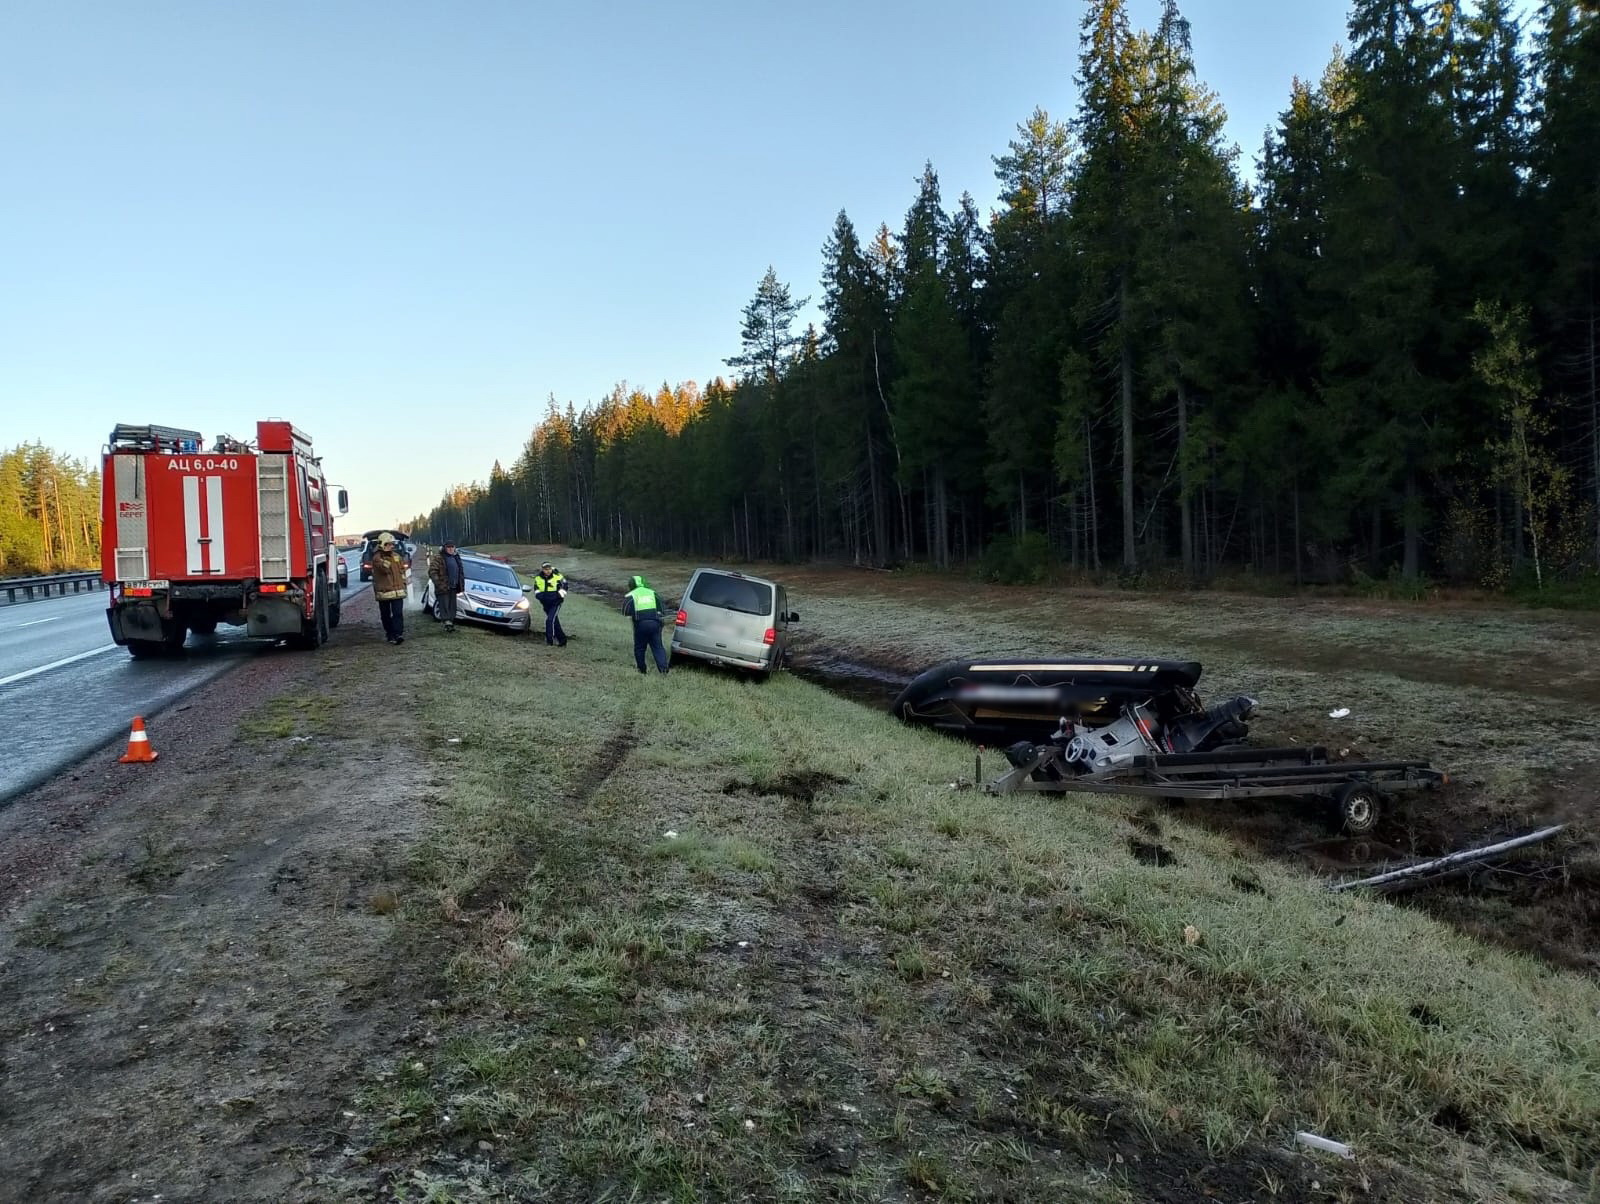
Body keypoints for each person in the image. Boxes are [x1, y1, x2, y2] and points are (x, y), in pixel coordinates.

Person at [623, 574, 669, 675]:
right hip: (655, 623)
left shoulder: (631, 595)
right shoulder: (653, 593)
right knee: (658, 647)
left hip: (641, 624)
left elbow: (625, 611)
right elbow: (662, 609)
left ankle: (642, 670)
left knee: (640, 648)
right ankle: (664, 670)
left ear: (631, 585)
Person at [371, 532, 409, 644]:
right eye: (389, 544)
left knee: (398, 613)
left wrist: (403, 583)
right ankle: (390, 634)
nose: (392, 546)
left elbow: (402, 570)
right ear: (383, 544)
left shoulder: (397, 556)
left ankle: (398, 634)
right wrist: (385, 555)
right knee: (386, 615)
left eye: (393, 544)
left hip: (398, 591)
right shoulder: (377, 558)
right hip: (384, 592)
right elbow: (384, 568)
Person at [429, 538, 466, 631]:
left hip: (454, 587)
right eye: (448, 547)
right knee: (444, 606)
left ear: (455, 548)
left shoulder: (456, 557)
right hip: (443, 587)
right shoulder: (439, 557)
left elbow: (461, 572)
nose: (450, 549)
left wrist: (460, 584)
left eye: (452, 547)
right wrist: (438, 583)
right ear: (444, 548)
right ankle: (447, 623)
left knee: (452, 607)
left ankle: (451, 622)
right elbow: (432, 571)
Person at [532, 561, 568, 646]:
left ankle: (549, 641)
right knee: (554, 622)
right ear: (542, 569)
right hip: (545, 603)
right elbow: (536, 590)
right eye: (545, 569)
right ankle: (562, 640)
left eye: (549, 569)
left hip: (556, 603)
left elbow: (565, 586)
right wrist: (541, 597)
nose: (548, 571)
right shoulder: (538, 578)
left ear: (551, 568)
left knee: (549, 620)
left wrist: (559, 596)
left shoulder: (558, 576)